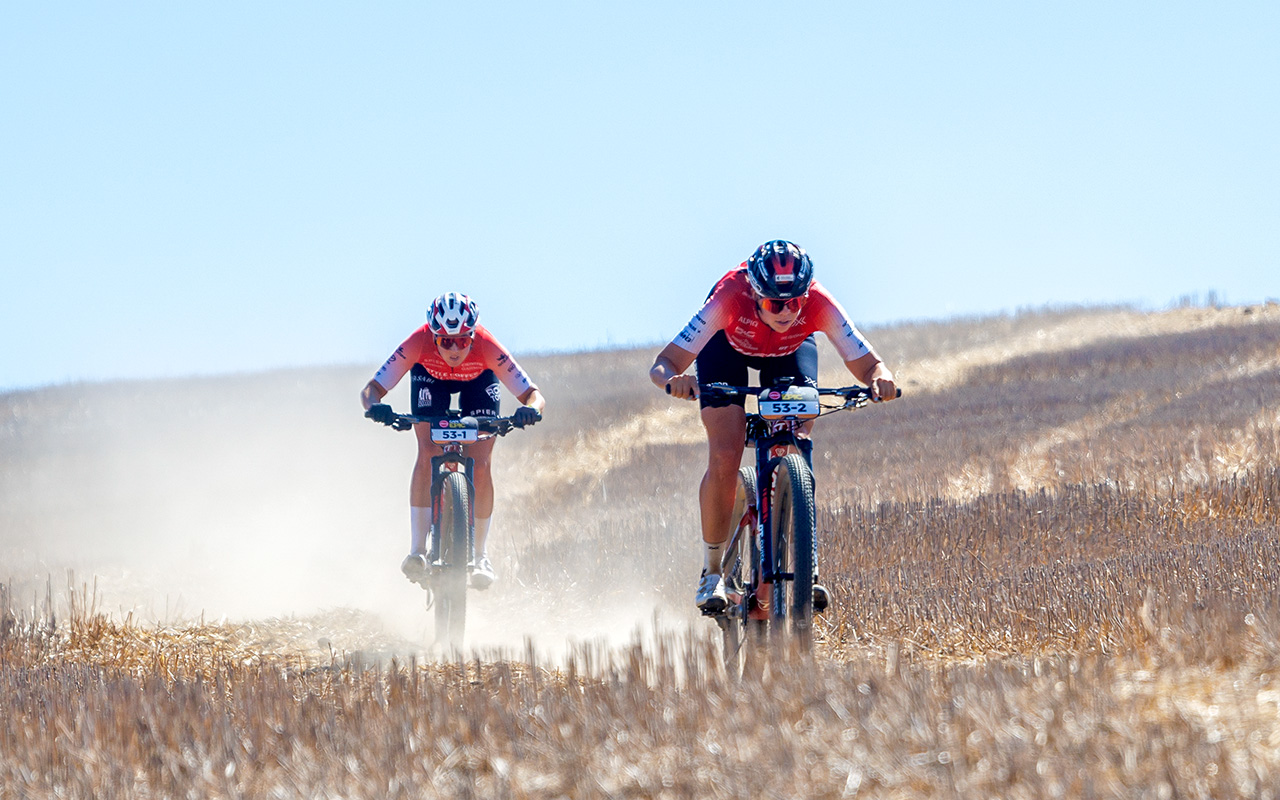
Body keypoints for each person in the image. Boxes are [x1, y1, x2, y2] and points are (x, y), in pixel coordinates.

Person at [649, 240, 897, 612]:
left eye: (795, 302)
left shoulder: (817, 301)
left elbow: (868, 363)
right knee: (726, 450)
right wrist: (675, 380)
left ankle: (803, 561)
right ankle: (712, 573)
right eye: (774, 304)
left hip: (788, 354)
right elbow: (664, 363)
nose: (786, 312)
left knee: (797, 434)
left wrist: (881, 377)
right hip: (725, 350)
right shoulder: (730, 295)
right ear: (755, 293)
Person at [361, 292, 545, 590]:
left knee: (481, 464)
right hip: (429, 381)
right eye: (445, 341)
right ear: (433, 336)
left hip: (479, 384)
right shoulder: (417, 342)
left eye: (462, 339)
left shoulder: (487, 345)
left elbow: (534, 396)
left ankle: (481, 556)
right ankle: (417, 552)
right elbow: (371, 390)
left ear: (473, 334)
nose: (455, 347)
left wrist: (529, 410)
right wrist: (376, 407)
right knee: (427, 453)